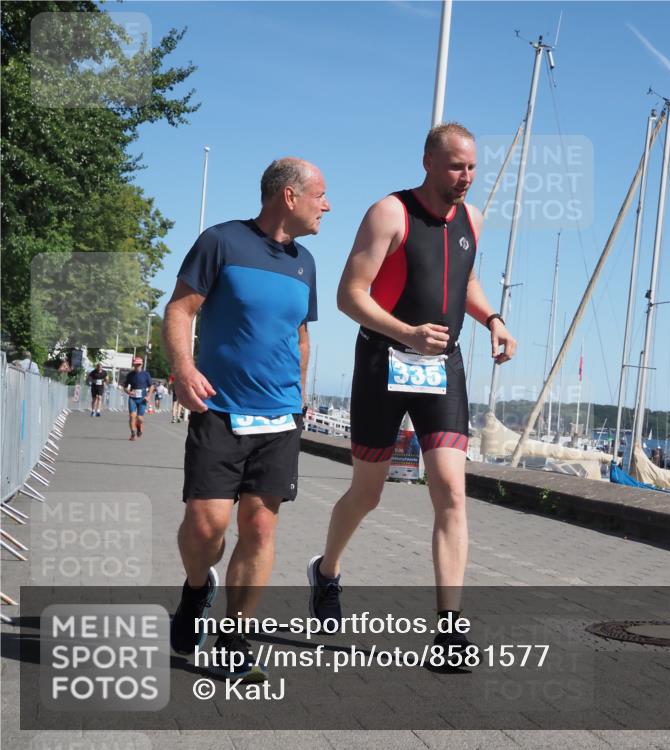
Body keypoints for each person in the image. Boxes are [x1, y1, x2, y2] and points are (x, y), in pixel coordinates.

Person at [308, 123, 516, 660]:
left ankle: (449, 629)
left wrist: (491, 317)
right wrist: (406, 333)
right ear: (427, 161)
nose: (465, 177)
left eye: (471, 167)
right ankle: (326, 571)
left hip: (443, 367)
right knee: (368, 492)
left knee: (450, 489)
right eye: (455, 166)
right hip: (383, 360)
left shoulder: (473, 219)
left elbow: (463, 280)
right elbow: (348, 295)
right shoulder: (389, 213)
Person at [163, 157, 327, 681]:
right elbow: (180, 309)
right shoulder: (221, 242)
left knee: (259, 525)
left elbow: (301, 334)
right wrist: (183, 367)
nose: (327, 205)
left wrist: (299, 394)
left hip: (279, 419)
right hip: (219, 410)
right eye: (320, 195)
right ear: (289, 196)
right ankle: (195, 590)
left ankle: (235, 635)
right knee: (206, 528)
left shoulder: (306, 263)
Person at [124, 357, 153, 440]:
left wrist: (148, 396)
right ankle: (133, 433)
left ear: (142, 365)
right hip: (133, 398)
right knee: (132, 416)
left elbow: (151, 386)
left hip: (143, 399)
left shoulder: (146, 374)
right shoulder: (130, 375)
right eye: (136, 365)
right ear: (134, 365)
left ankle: (139, 428)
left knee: (139, 418)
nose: (137, 366)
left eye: (139, 365)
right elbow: (125, 387)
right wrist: (129, 392)